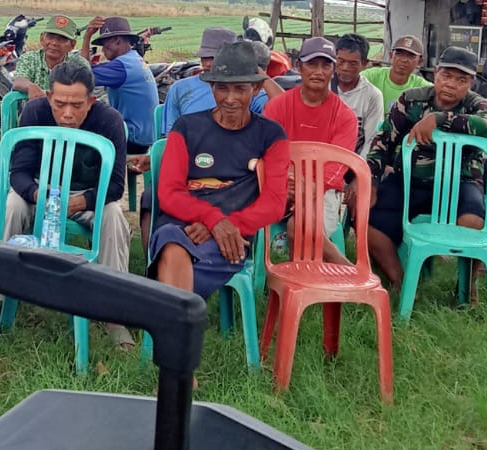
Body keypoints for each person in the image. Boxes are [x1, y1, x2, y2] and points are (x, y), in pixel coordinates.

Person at [149, 41, 289, 305]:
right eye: (221, 88)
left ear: (257, 89)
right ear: (211, 87)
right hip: (184, 223)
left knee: (175, 263)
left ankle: (167, 322)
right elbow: (168, 193)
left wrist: (227, 225)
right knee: (171, 242)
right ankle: (178, 323)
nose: (230, 98)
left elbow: (274, 204)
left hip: (235, 229)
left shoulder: (271, 135)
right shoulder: (187, 127)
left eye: (240, 89)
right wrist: (212, 220)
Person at [366, 46, 487, 285]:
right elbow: (384, 141)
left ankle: (465, 287)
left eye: (461, 80)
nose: (451, 84)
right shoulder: (412, 99)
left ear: (471, 83)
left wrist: (439, 119)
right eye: (446, 76)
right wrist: (372, 181)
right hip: (410, 179)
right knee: (371, 227)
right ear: (435, 73)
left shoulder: (477, 105)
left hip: (460, 181)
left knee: (473, 224)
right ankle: (402, 283)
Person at [1, 56, 133, 279]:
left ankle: (115, 295)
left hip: (88, 196)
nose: (68, 114)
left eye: (77, 105)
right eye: (59, 104)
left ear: (91, 101)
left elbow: (116, 185)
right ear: (49, 97)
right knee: (13, 206)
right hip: (38, 189)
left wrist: (83, 201)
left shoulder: (109, 121)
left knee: (114, 215)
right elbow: (19, 172)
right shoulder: (35, 112)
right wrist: (37, 194)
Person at [264, 36, 358, 262]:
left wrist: (307, 187)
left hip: (322, 190)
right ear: (298, 67)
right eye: (312, 64)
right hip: (282, 185)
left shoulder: (345, 116)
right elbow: (265, 150)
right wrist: (285, 180)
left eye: (325, 65)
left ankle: (329, 274)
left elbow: (336, 168)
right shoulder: (277, 106)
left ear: (333, 69)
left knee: (298, 227)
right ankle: (348, 272)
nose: (318, 71)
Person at [164, 28, 274, 126]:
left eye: (213, 58)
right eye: (204, 57)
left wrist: (254, 69)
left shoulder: (248, 90)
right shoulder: (179, 89)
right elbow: (169, 134)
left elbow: (281, 109)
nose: (207, 64)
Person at [82, 15, 158, 153]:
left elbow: (82, 75)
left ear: (117, 41)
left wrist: (86, 38)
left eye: (104, 45)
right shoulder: (134, 59)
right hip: (145, 135)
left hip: (132, 137)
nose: (103, 50)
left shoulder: (121, 67)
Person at [332, 33, 386, 159]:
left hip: (353, 161)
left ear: (364, 63)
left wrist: (358, 172)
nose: (345, 68)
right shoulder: (323, 88)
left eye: (353, 63)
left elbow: (371, 139)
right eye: (340, 61)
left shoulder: (372, 95)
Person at [362, 35, 428, 131]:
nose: (404, 59)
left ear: (420, 62)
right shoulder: (371, 76)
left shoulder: (423, 87)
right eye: (399, 54)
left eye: (411, 56)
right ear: (390, 55)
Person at [11, 13, 81, 100]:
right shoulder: (29, 58)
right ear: (42, 39)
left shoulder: (79, 64)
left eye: (62, 39)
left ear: (72, 45)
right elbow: (18, 81)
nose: (54, 43)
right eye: (50, 37)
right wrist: (30, 87)